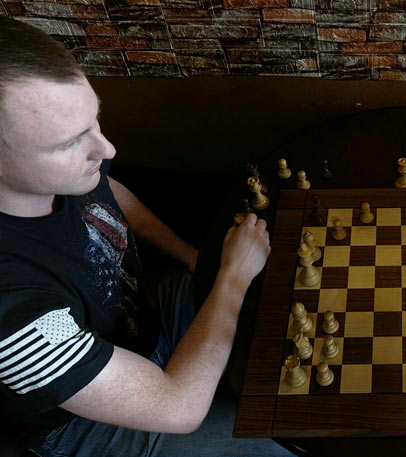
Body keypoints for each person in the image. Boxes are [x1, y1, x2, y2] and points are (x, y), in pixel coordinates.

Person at [0, 17, 291, 457]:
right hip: (87, 420)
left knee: (288, 315)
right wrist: (231, 277)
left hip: (148, 317)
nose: (107, 149)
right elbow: (177, 406)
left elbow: (109, 194)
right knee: (279, 443)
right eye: (69, 143)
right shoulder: (14, 318)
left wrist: (194, 258)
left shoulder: (67, 173)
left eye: (95, 121)